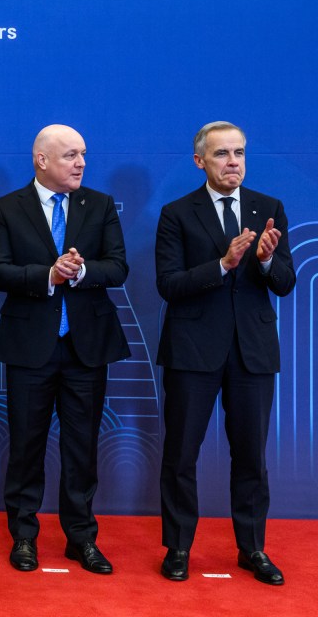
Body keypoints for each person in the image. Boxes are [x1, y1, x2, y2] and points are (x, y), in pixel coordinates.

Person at [0, 124, 129, 575]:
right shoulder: (7, 208)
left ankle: (81, 538)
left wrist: (81, 272)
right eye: (70, 155)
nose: (81, 163)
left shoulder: (100, 205)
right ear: (41, 160)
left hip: (87, 346)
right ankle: (24, 537)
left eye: (83, 154)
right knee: (26, 447)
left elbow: (119, 266)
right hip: (30, 346)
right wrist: (49, 274)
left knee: (82, 449)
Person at [156, 121, 295, 586]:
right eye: (221, 154)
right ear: (200, 161)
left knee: (252, 456)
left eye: (238, 153)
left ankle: (252, 548)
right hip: (192, 351)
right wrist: (222, 264)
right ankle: (178, 547)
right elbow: (168, 285)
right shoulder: (176, 213)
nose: (232, 162)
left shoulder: (269, 208)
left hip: (253, 353)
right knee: (180, 455)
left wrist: (265, 260)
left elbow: (286, 283)